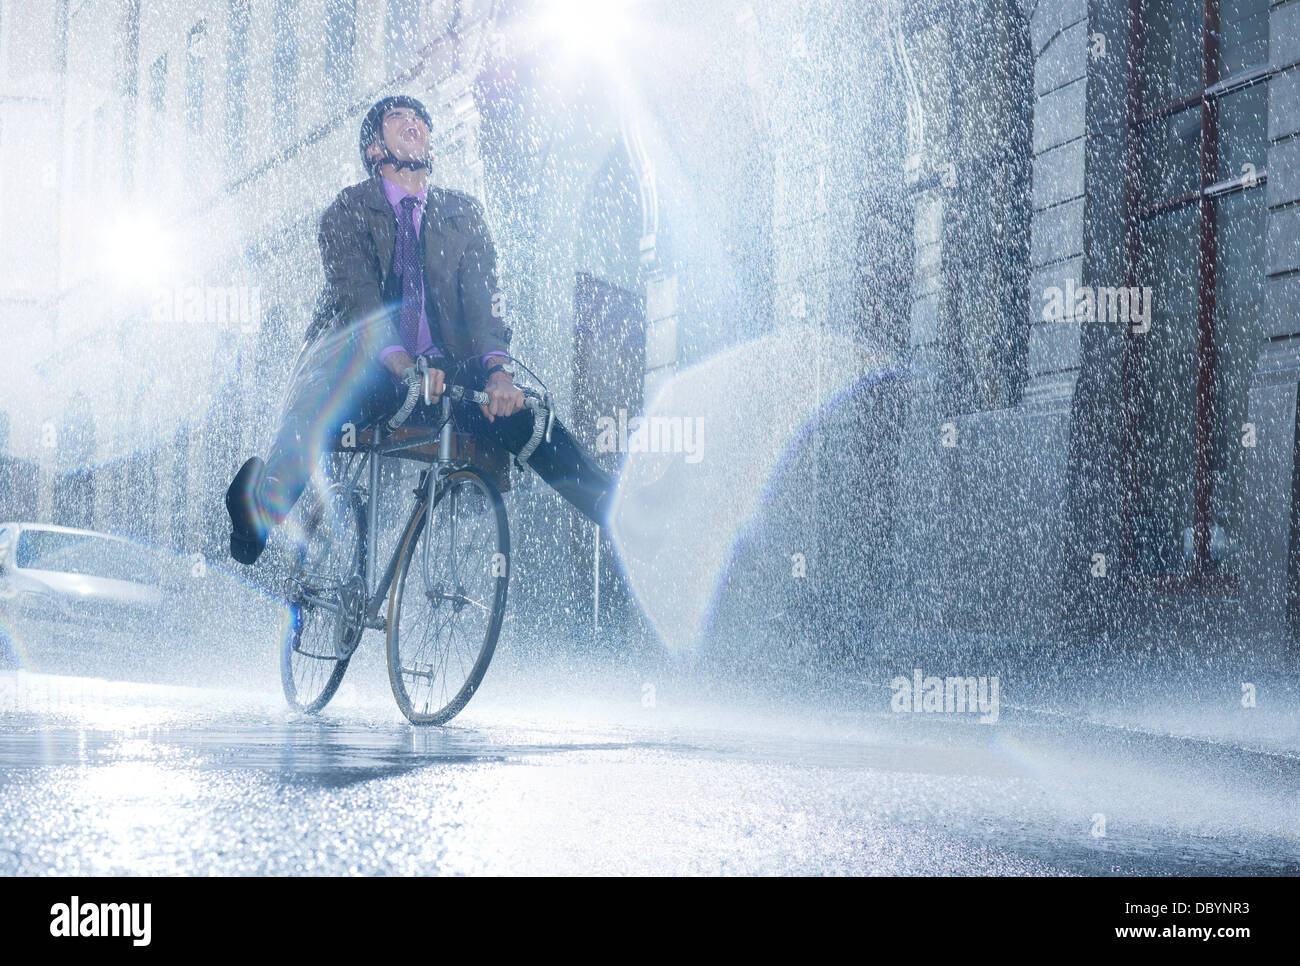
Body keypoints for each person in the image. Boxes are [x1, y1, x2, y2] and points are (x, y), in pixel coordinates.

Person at [224, 95, 613, 565]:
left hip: (442, 375)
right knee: (326, 403)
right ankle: (259, 510)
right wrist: (399, 362)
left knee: (529, 415)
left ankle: (613, 507)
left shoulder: (462, 214)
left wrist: (498, 374)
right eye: (397, 118)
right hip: (368, 367)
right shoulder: (347, 210)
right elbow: (359, 302)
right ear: (374, 150)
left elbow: (484, 304)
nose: (414, 123)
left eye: (420, 119)